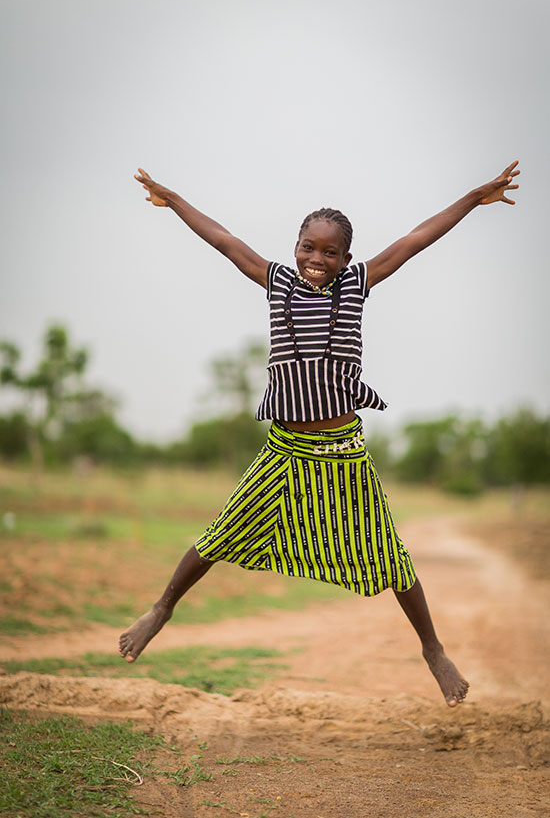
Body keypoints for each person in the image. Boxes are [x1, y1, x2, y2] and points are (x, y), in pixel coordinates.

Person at [119, 161, 520, 707]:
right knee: (220, 533)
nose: (317, 259)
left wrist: (473, 197)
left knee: (389, 555)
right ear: (296, 247)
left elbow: (415, 239)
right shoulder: (276, 280)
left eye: (330, 252)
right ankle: (162, 608)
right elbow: (223, 239)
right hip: (284, 450)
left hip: (342, 452)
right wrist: (174, 199)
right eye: (309, 247)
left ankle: (433, 650)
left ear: (346, 260)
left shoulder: (357, 284)